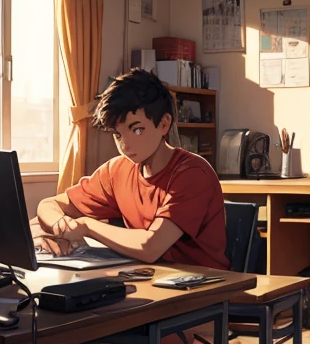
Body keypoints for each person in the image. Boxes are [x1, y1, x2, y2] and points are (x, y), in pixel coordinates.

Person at [33, 68, 228, 269]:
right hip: (148, 277)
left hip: (202, 286)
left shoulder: (193, 173)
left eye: (137, 130)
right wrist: (60, 227)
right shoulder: (117, 170)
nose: (125, 144)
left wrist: (86, 226)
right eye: (118, 134)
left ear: (163, 124)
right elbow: (48, 205)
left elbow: (150, 247)